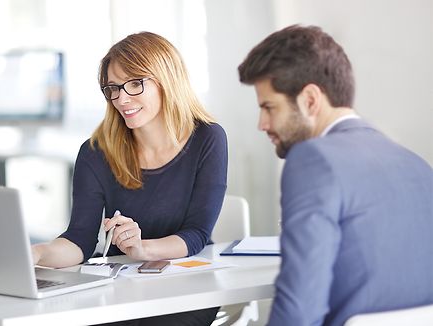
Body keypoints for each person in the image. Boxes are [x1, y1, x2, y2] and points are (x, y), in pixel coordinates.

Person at [237, 25, 433, 326]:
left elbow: (300, 310)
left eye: (268, 107)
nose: (262, 124)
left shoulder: (312, 159)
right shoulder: (416, 163)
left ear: (311, 100)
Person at [33, 31, 227, 325]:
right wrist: (36, 252)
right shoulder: (95, 152)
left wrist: (142, 248)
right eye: (113, 87)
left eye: (135, 84)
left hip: (187, 288)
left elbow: (197, 233)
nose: (121, 98)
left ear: (166, 80)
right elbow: (80, 240)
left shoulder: (207, 138)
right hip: (121, 289)